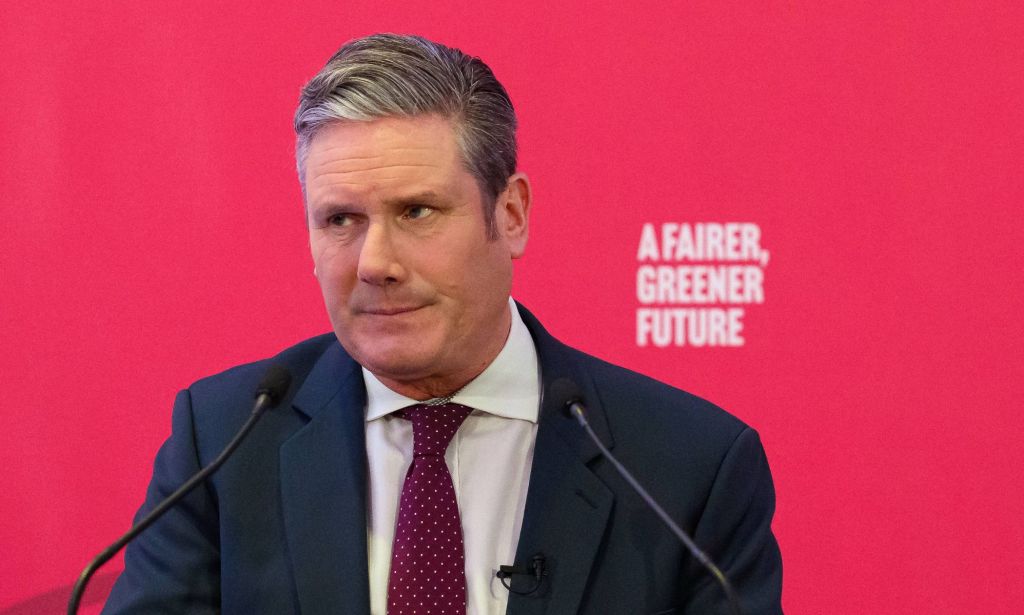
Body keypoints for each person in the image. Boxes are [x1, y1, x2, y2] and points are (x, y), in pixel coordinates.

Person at [103, 34, 783, 614]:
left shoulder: (687, 469)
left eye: (417, 212)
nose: (375, 262)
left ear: (509, 215)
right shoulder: (225, 441)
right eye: (341, 219)